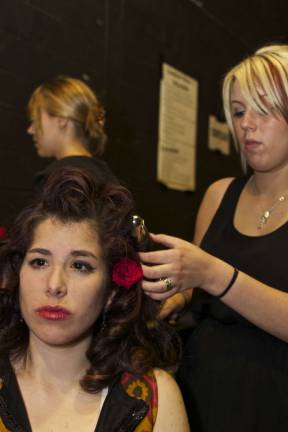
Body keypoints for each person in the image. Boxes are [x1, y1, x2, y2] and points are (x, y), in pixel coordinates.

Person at [140, 44, 288, 432]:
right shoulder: (220, 195)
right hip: (204, 391)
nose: (246, 124)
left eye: (264, 109)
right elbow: (200, 296)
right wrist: (172, 297)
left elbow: (213, 278)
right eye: (238, 112)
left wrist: (213, 275)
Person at [0, 167, 189, 432]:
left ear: (111, 291)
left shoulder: (154, 399)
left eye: (80, 266)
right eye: (39, 262)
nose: (54, 285)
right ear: (18, 275)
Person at [27, 76, 118, 191]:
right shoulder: (106, 176)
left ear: (61, 119)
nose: (30, 130)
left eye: (36, 120)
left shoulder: (59, 181)